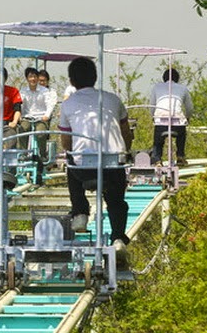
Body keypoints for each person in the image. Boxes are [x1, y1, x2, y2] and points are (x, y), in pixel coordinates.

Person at [58, 57, 133, 265]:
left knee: (70, 160)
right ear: (95, 77)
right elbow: (126, 132)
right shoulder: (113, 99)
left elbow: (66, 142)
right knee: (116, 199)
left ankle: (80, 211)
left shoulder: (68, 104)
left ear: (72, 81)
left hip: (84, 170)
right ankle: (118, 237)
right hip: (113, 166)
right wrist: (126, 150)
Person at [150, 69, 194, 167]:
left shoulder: (156, 87)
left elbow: (152, 105)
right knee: (181, 135)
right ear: (177, 79)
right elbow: (189, 107)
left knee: (158, 140)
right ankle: (180, 156)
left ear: (164, 78)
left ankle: (157, 159)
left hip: (160, 121)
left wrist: (153, 117)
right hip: (177, 122)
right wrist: (188, 117)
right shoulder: (183, 88)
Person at [18, 68, 57, 157]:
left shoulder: (44, 91)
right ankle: (23, 154)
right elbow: (20, 104)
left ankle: (42, 155)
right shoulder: (23, 91)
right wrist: (19, 114)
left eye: (35, 76)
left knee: (40, 132)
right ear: (27, 78)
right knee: (22, 129)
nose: (33, 79)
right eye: (30, 77)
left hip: (41, 118)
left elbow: (50, 104)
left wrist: (47, 115)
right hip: (27, 117)